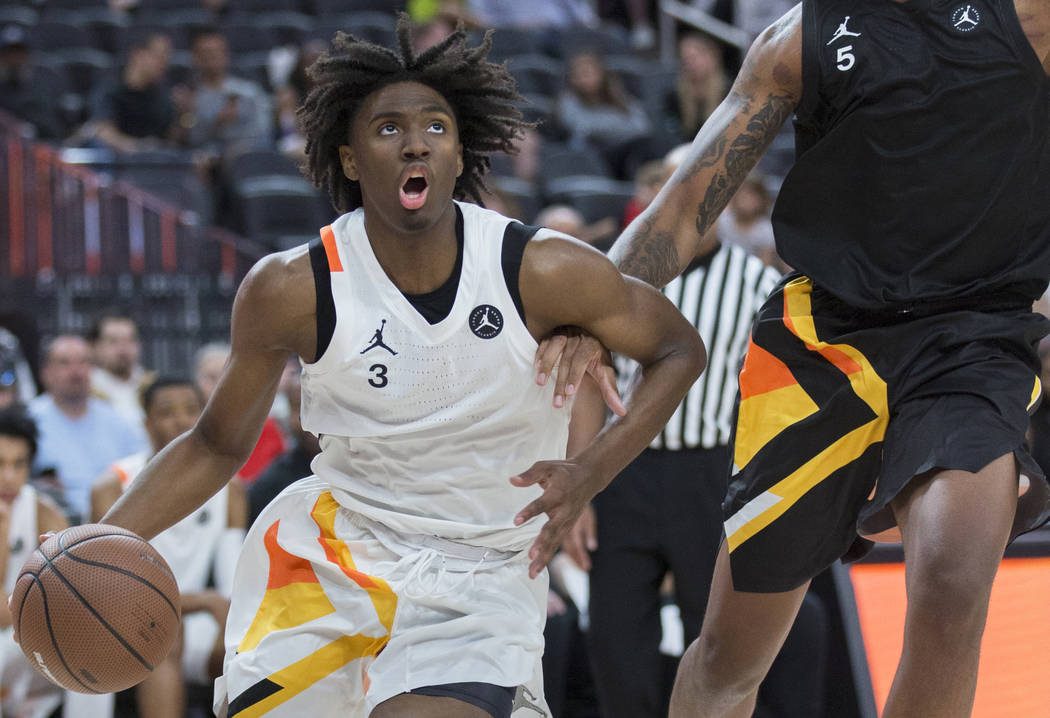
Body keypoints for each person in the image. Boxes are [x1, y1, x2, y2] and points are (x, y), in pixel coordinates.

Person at [98, 17, 704, 718]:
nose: (416, 141)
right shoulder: (292, 288)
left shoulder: (542, 269)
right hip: (333, 554)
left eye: (436, 128)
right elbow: (215, 444)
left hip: (479, 571)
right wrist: (100, 537)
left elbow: (678, 349)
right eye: (387, 128)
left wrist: (591, 470)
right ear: (350, 158)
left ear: (457, 155)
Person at [535, 1, 1050, 716]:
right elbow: (684, 208)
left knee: (955, 586)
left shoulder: (1028, 19)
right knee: (727, 658)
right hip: (821, 344)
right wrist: (597, 315)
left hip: (970, 342)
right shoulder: (797, 40)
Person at [90, 376, 246, 718]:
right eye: (167, 411)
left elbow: (232, 581)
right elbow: (115, 591)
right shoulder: (112, 485)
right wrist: (205, 601)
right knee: (163, 634)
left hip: (204, 619)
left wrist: (226, 614)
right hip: (131, 621)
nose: (181, 420)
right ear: (146, 423)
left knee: (256, 642)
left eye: (192, 410)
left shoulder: (230, 489)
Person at [27, 335, 147, 522]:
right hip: (51, 529)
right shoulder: (28, 420)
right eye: (64, 363)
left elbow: (143, 474)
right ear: (46, 373)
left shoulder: (119, 421)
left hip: (114, 524)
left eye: (83, 362)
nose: (76, 371)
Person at [0, 407, 68, 718]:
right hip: (17, 629)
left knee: (94, 641)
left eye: (19, 464)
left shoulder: (46, 512)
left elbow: (74, 594)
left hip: (26, 635)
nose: (9, 477)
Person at [193, 342, 286, 483]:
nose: (218, 384)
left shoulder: (263, 426)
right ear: (196, 381)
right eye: (211, 377)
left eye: (225, 376)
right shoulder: (187, 426)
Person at [81, 32, 177, 154]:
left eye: (167, 58)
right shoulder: (109, 89)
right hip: (116, 162)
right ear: (137, 54)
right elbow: (103, 131)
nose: (164, 63)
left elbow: (170, 139)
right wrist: (138, 148)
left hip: (152, 166)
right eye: (159, 56)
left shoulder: (163, 97)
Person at [87, 310, 154, 441]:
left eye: (130, 340)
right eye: (113, 341)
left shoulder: (152, 385)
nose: (123, 348)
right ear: (94, 347)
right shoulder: (86, 390)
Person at [0, 23, 63, 141]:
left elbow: (53, 131)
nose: (14, 59)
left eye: (19, 53)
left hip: (36, 151)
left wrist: (28, 130)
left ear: (27, 56)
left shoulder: (41, 88)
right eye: (8, 54)